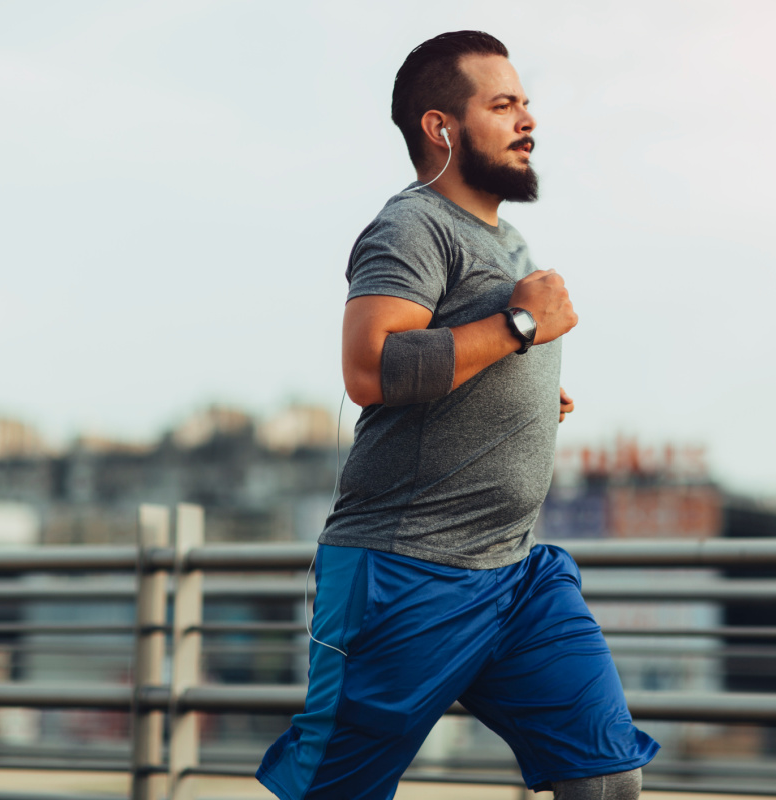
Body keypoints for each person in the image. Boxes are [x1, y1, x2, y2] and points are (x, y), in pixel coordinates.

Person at [256, 31, 658, 800]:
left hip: (516, 574)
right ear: (441, 127)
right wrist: (519, 329)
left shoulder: (508, 240)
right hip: (405, 572)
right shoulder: (412, 226)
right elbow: (370, 367)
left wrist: (533, 390)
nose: (526, 121)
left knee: (606, 776)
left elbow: (468, 354)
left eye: (526, 104)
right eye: (502, 105)